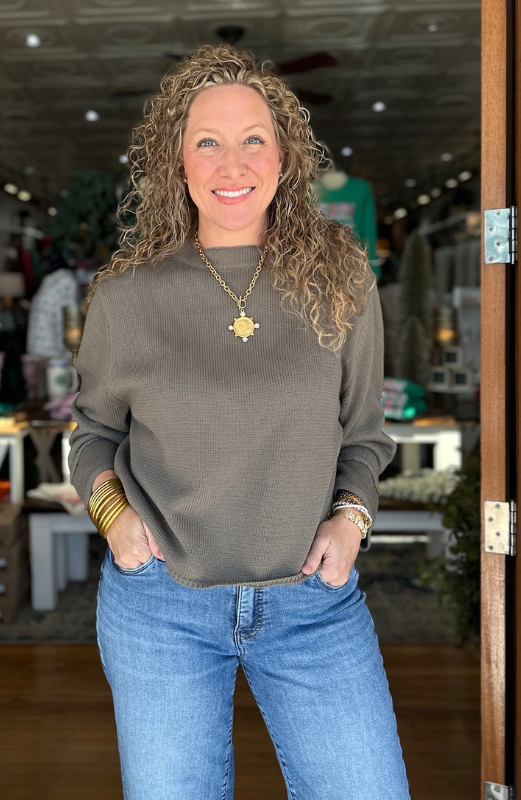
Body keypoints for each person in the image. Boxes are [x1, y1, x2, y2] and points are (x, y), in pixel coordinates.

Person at [68, 44, 409, 800]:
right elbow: (92, 432)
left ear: (284, 157)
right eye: (208, 142)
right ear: (177, 161)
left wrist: (351, 519)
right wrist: (114, 518)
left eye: (254, 138)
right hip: (162, 604)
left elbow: (363, 436)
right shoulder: (128, 297)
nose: (233, 163)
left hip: (312, 603)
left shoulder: (342, 278)